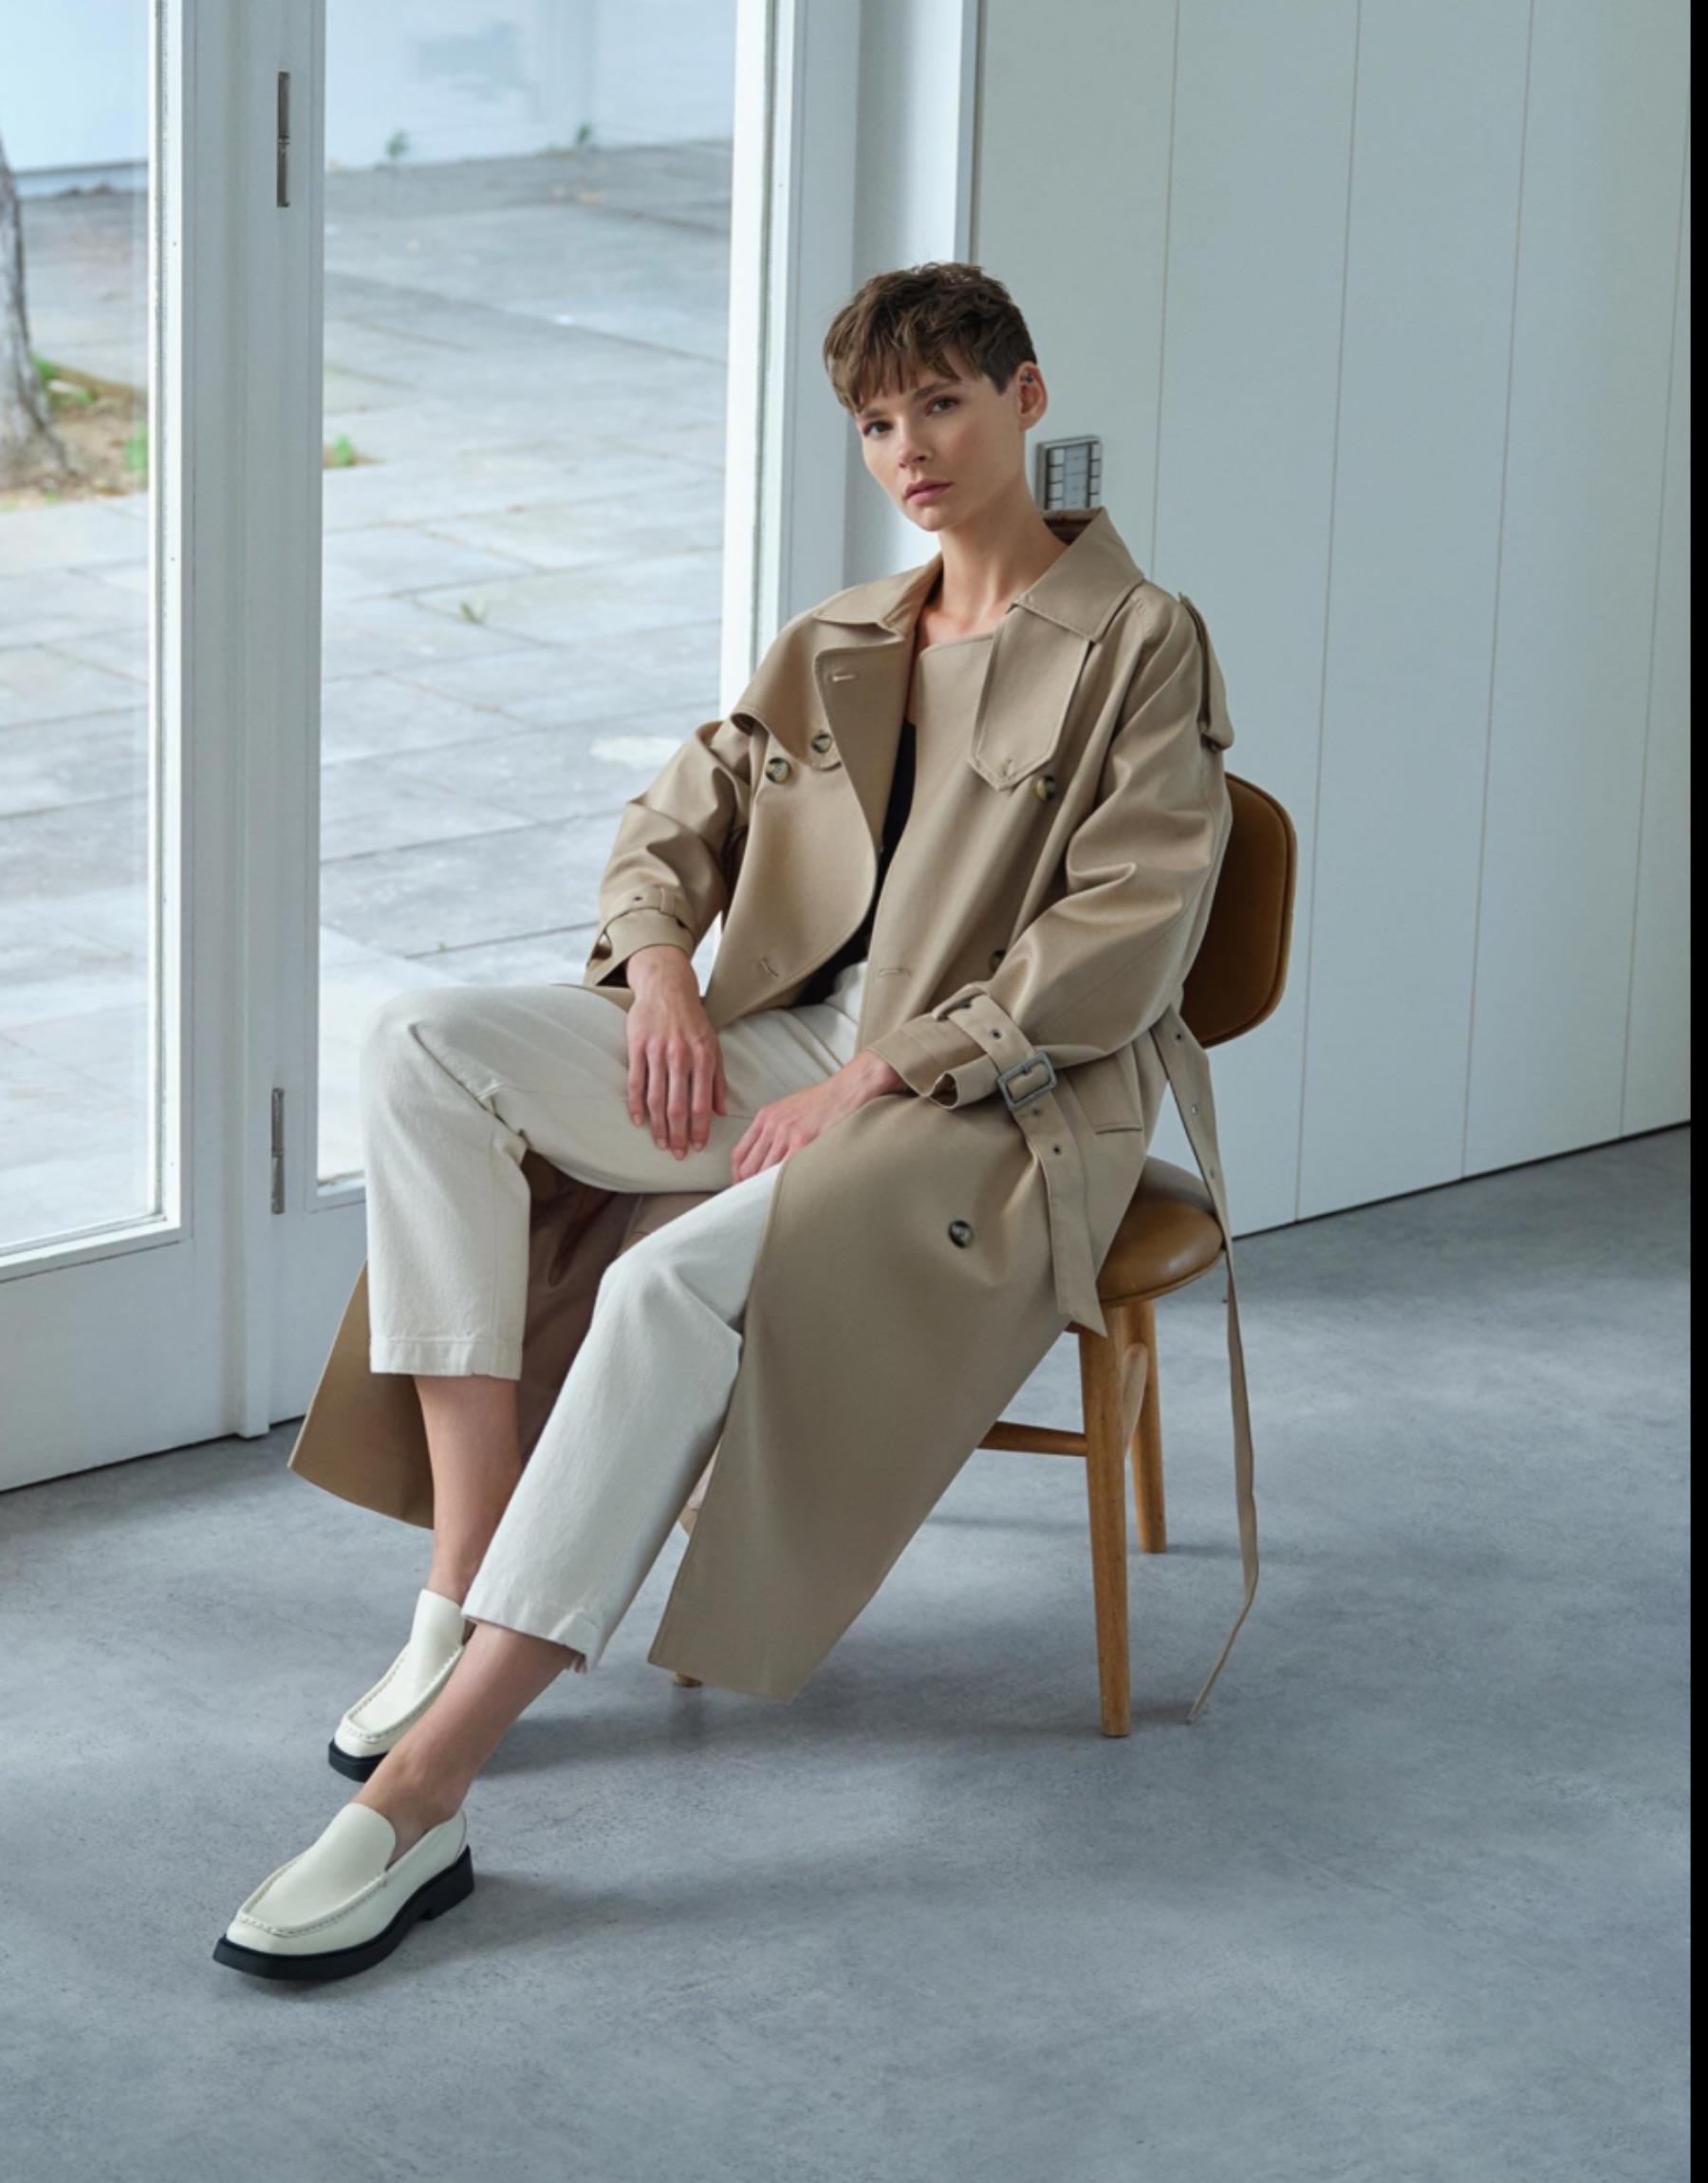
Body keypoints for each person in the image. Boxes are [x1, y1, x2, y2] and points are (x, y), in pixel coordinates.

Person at [214, 262, 1229, 1980]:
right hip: (780, 1046)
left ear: (1029, 398)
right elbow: (670, 823)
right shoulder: (842, 637)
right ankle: (466, 1576)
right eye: (878, 423)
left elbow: (1125, 934)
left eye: (943, 405)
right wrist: (664, 970)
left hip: (993, 1097)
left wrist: (882, 1074)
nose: (909, 451)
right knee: (425, 1045)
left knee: (662, 1284)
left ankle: (426, 1789)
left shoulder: (1139, 641)